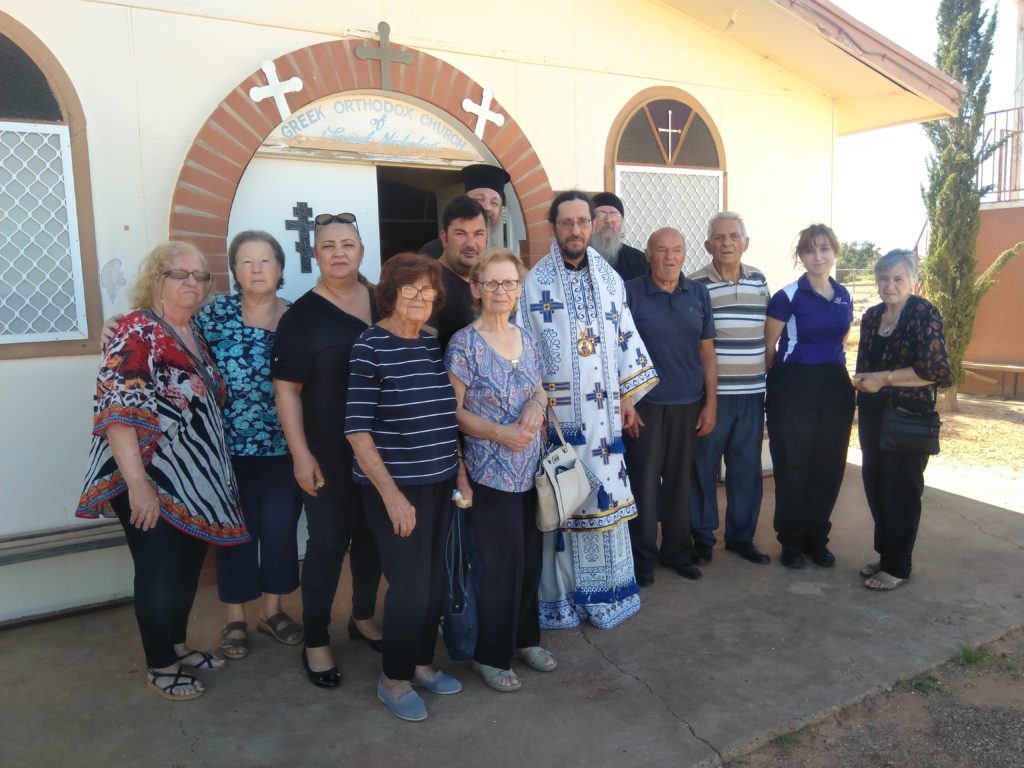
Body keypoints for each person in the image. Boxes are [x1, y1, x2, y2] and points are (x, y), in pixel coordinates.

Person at [77, 242, 248, 701]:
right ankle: (160, 665)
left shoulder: (191, 332)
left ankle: (175, 645)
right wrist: (138, 486)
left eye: (200, 276)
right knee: (158, 570)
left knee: (186, 568)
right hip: (149, 477)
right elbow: (117, 411)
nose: (192, 282)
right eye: (179, 273)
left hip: (190, 481)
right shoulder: (136, 329)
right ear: (156, 278)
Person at [519, 190, 659, 630]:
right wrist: (532, 409)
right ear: (553, 227)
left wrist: (626, 398)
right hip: (555, 419)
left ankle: (607, 595)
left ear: (593, 225)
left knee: (603, 500)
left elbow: (624, 338)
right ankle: (560, 602)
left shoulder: (610, 279)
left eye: (583, 222)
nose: (576, 230)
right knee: (560, 503)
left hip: (604, 421)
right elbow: (523, 349)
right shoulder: (533, 283)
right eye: (567, 223)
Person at [345, 253, 473, 722]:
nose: (421, 299)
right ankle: (393, 679)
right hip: (395, 488)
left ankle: (420, 665)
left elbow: (444, 420)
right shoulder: (369, 346)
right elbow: (357, 431)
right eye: (410, 290)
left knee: (435, 582)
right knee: (412, 587)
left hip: (439, 482)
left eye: (428, 292)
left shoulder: (429, 343)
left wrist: (458, 473)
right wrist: (392, 495)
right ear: (391, 295)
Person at [272, 213, 383, 689]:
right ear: (314, 256)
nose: (339, 252)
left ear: (361, 252)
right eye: (328, 246)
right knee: (327, 544)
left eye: (348, 244)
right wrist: (300, 454)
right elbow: (287, 390)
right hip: (328, 452)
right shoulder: (302, 316)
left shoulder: (384, 299)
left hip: (382, 450)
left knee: (374, 538)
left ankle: (361, 617)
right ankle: (315, 639)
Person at [445, 247, 556, 692]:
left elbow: (544, 389)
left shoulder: (527, 337)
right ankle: (489, 654)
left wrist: (535, 403)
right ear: (476, 288)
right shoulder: (464, 343)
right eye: (491, 282)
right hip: (489, 474)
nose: (501, 291)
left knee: (530, 561)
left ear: (519, 287)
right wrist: (498, 433)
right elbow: (453, 412)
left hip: (532, 470)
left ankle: (526, 639)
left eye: (509, 282)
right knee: (497, 566)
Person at [198, 231, 304, 659]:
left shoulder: (298, 317)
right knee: (235, 534)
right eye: (246, 261)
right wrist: (120, 321)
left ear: (280, 269)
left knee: (279, 528)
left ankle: (272, 611)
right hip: (228, 447)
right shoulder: (214, 314)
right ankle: (236, 619)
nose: (256, 269)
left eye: (265, 261)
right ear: (234, 270)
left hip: (285, 445)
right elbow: (169, 335)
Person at [852, 249, 951, 591]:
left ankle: (898, 567)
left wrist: (884, 379)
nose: (889, 285)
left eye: (897, 279)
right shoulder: (871, 316)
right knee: (876, 485)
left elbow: (935, 371)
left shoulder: (923, 313)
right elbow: (864, 365)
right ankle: (886, 555)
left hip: (908, 414)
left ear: (913, 282)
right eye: (883, 278)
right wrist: (862, 380)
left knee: (902, 491)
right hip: (873, 414)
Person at [624, 227, 717, 586]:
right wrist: (626, 402)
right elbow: (616, 351)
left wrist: (711, 404)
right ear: (648, 254)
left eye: (676, 250)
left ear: (684, 254)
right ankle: (643, 560)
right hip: (644, 407)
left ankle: (678, 552)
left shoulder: (698, 294)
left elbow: (707, 353)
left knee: (680, 485)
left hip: (689, 405)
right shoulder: (630, 292)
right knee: (643, 486)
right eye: (661, 250)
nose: (669, 257)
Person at [764, 224, 856, 569]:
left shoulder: (845, 295)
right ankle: (791, 541)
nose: (818, 256)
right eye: (810, 250)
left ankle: (817, 539)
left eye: (824, 249)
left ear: (835, 252)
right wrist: (786, 382)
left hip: (834, 385)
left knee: (828, 467)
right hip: (793, 386)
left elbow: (842, 341)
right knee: (793, 465)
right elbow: (769, 347)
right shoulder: (787, 296)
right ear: (801, 256)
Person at [688, 212, 772, 567]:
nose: (726, 243)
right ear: (708, 245)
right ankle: (703, 538)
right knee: (703, 469)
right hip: (712, 398)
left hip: (752, 395)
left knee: (746, 470)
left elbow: (768, 333)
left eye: (733, 236)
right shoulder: (694, 284)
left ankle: (741, 537)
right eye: (719, 238)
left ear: (745, 243)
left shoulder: (759, 280)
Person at [424, 195, 488, 350]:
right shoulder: (428, 283)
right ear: (444, 238)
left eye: (478, 233)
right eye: (460, 233)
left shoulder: (488, 282)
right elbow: (423, 355)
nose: (471, 244)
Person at [420, 164, 511, 257]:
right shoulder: (433, 251)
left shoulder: (505, 251)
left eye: (494, 203)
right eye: (479, 200)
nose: (487, 208)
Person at [590, 192, 649, 282]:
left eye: (614, 215)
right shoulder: (577, 257)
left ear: (621, 221)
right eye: (601, 214)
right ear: (590, 220)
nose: (608, 220)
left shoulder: (638, 260)